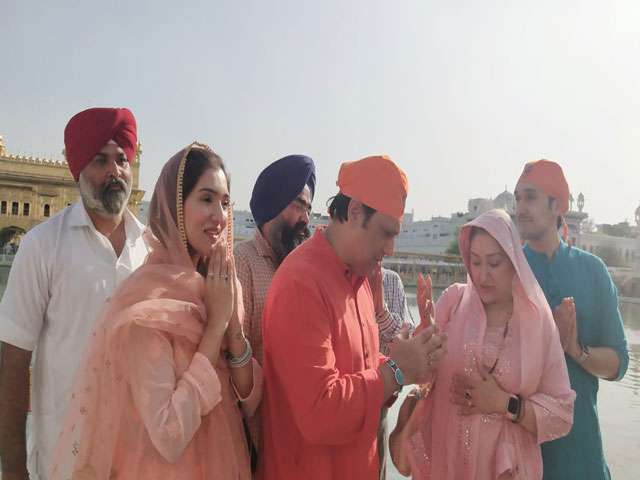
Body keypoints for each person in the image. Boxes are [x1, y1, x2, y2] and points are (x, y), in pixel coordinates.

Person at [50, 143, 262, 479]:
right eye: (206, 199)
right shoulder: (147, 303)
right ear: (175, 207)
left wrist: (232, 326)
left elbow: (250, 401)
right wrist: (215, 327)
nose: (220, 217)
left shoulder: (220, 284)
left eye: (225, 202)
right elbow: (168, 433)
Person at [258, 155, 446, 480]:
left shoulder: (360, 280)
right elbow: (320, 413)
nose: (391, 249)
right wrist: (396, 371)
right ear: (355, 211)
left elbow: (361, 372)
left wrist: (410, 360)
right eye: (385, 233)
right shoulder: (301, 282)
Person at [0, 107, 148, 480]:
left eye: (122, 160)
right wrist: (14, 468)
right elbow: (13, 360)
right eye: (100, 160)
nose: (115, 171)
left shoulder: (151, 250)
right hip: (64, 457)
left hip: (137, 456)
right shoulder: (43, 246)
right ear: (78, 170)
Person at [393, 209, 575, 479]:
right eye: (475, 262)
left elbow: (562, 415)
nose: (482, 275)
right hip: (445, 461)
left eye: (494, 263)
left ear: (513, 261)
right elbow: (426, 378)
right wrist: (420, 345)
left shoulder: (536, 324)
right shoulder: (454, 302)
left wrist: (506, 404)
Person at [515, 159, 629, 480]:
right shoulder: (508, 270)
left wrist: (575, 350)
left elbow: (619, 363)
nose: (520, 208)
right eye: (517, 198)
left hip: (582, 458)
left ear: (558, 206)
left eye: (530, 197)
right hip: (520, 457)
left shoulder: (593, 271)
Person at [234, 154, 315, 455]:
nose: (306, 219)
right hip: (256, 442)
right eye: (298, 205)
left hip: (301, 440)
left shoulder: (305, 269)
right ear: (273, 204)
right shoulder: (242, 262)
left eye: (308, 208)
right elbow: (233, 356)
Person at [368, 266, 415, 479]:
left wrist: (382, 313)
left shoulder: (391, 280)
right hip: (341, 396)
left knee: (374, 467)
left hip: (381, 399)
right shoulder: (339, 277)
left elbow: (407, 339)